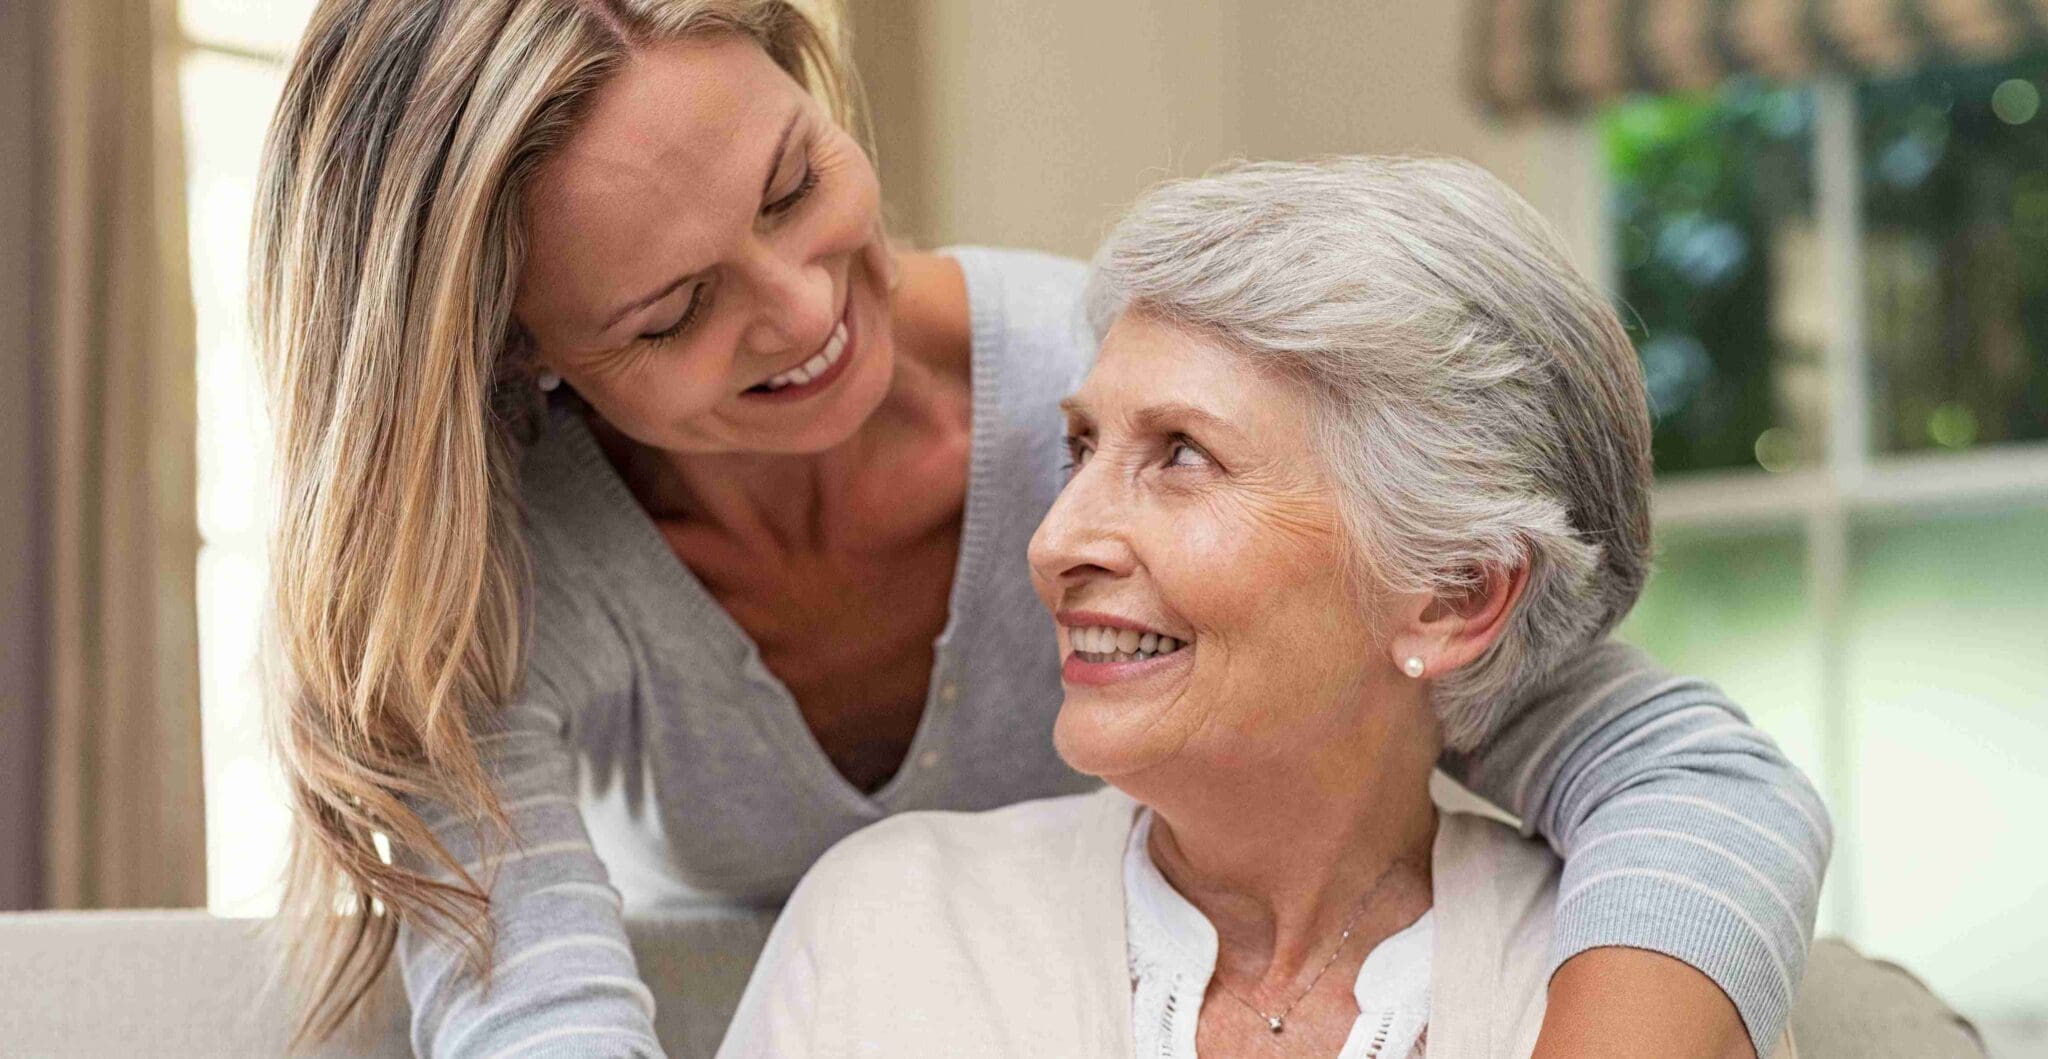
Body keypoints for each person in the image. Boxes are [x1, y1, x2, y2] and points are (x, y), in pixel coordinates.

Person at [251, 3, 1828, 1056]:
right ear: (524, 351)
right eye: (671, 313)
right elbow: (536, 1007)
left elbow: (1674, 762)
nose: (806, 312)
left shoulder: (1104, 385)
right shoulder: (491, 578)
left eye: (795, 187)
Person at [717, 156, 1806, 1059]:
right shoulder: (888, 926)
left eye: (1180, 456)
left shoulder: (1616, 984)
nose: (1051, 544)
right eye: (1080, 447)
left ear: (1455, 593)